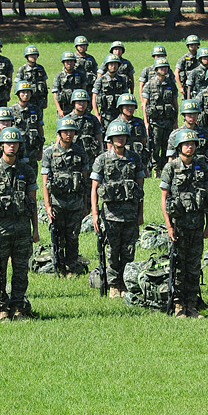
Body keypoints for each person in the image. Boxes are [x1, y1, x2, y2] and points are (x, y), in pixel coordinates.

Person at [0, 126, 40, 320]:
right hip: (1, 228)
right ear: (1, 145)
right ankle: (2, 308)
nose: (11, 146)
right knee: (0, 270)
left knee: (21, 270)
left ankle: (18, 307)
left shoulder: (27, 170)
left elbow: (32, 202)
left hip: (23, 229)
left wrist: (35, 229)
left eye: (15, 143)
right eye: (8, 143)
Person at [161, 128, 208, 318]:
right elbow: (164, 200)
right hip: (179, 226)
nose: (190, 147)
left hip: (197, 225)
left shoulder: (202, 166)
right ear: (179, 146)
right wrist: (169, 226)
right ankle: (178, 305)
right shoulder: (171, 167)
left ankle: (192, 304)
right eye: (186, 144)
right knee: (178, 266)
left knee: (193, 266)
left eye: (192, 144)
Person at [91, 120, 146, 298]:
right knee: (112, 251)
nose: (120, 139)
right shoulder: (102, 159)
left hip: (130, 214)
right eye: (116, 137)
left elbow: (140, 188)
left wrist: (140, 213)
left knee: (128, 251)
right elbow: (94, 188)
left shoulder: (134, 158)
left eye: (122, 136)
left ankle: (126, 283)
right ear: (111, 139)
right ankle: (114, 285)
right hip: (110, 215)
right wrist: (94, 214)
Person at [41, 118, 91, 277]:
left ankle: (72, 267)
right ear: (59, 133)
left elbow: (84, 182)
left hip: (75, 204)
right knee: (58, 238)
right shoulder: (49, 153)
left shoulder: (80, 152)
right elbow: (44, 182)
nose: (69, 134)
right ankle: (60, 268)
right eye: (65, 131)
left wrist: (85, 205)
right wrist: (48, 206)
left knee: (73, 238)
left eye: (71, 131)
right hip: (57, 204)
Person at [141, 59, 178, 177]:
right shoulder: (149, 85)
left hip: (168, 120)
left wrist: (176, 121)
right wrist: (146, 123)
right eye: (161, 68)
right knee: (155, 146)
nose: (164, 70)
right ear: (156, 70)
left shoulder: (171, 84)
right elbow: (144, 105)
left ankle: (164, 168)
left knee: (167, 145)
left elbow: (175, 103)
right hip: (155, 122)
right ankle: (156, 169)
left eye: (166, 67)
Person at [11, 81, 45, 175]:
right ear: (18, 93)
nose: (25, 95)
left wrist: (41, 150)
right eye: (23, 92)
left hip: (32, 151)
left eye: (28, 92)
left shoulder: (36, 110)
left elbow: (40, 130)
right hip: (17, 152)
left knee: (32, 177)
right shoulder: (11, 111)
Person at [64, 89, 103, 163]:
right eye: (79, 102)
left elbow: (98, 136)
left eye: (84, 102)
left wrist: (100, 152)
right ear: (74, 103)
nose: (82, 104)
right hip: (73, 155)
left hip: (90, 155)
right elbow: (60, 139)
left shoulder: (93, 119)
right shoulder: (67, 120)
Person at [92, 54, 128, 127]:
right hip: (105, 115)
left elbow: (126, 97)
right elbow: (94, 98)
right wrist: (97, 114)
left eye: (115, 64)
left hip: (120, 114)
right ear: (107, 66)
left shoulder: (122, 80)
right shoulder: (100, 80)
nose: (113, 66)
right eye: (111, 64)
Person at [116, 93, 148, 170]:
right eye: (127, 106)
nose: (129, 108)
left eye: (132, 106)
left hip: (138, 159)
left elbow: (144, 142)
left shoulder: (139, 122)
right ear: (121, 107)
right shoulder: (115, 124)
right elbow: (110, 145)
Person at [52, 51, 89, 118]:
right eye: (67, 61)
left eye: (71, 61)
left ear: (74, 62)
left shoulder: (80, 75)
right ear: (63, 63)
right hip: (64, 108)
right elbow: (55, 94)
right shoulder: (59, 76)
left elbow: (84, 91)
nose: (69, 63)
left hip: (77, 108)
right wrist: (59, 110)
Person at [15, 45, 49, 110]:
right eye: (31, 55)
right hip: (27, 99)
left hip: (39, 100)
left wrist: (46, 100)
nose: (33, 57)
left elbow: (45, 86)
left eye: (35, 55)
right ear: (27, 56)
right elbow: (18, 87)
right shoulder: (22, 69)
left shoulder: (40, 68)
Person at [176, 34, 200, 99]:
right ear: (188, 46)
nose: (193, 46)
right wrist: (180, 87)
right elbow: (176, 73)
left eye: (195, 45)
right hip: (187, 87)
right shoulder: (183, 59)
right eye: (191, 45)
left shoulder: (201, 57)